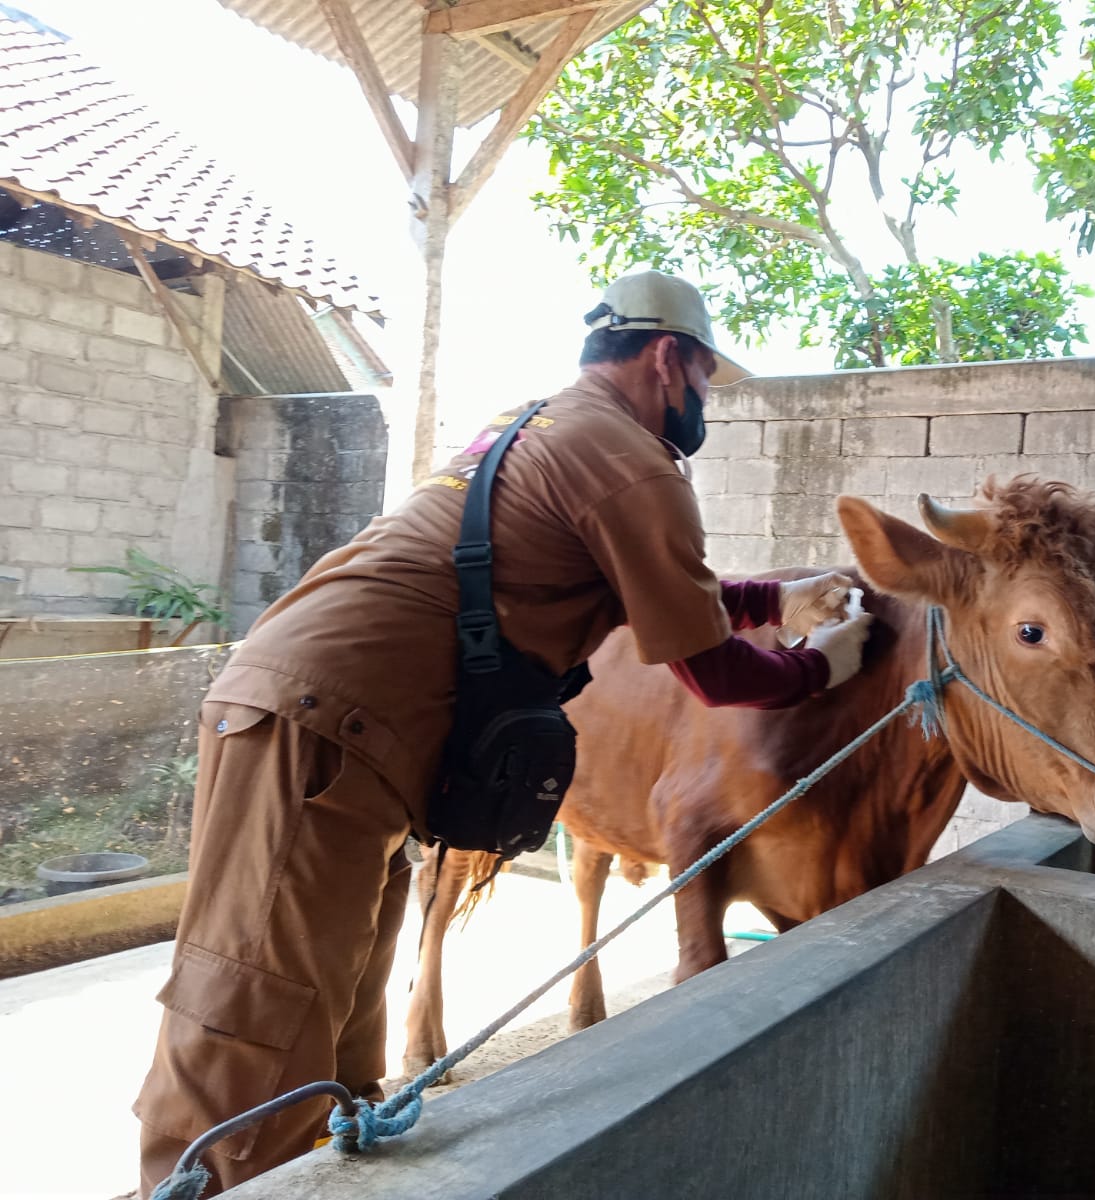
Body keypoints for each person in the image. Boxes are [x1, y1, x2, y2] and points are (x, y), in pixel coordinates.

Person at [134, 270, 875, 1196]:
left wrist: (779, 596)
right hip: (319, 721)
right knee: (255, 1012)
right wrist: (828, 664)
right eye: (701, 380)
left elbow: (644, 590)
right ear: (664, 357)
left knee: (341, 1011)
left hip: (335, 721)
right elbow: (715, 669)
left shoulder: (542, 422)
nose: (700, 406)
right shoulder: (633, 459)